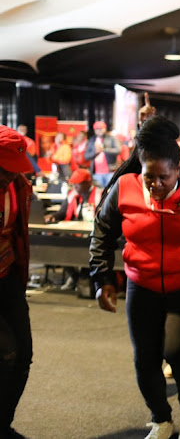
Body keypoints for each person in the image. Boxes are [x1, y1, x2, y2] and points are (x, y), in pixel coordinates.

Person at [89, 116, 180, 439]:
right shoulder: (124, 187)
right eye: (148, 176)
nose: (155, 184)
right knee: (145, 357)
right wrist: (102, 278)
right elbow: (102, 233)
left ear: (177, 170)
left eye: (163, 178)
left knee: (174, 349)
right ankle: (161, 419)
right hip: (142, 284)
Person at [0, 126, 34, 439]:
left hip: (8, 275)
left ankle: (2, 424)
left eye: (14, 169)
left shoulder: (19, 185)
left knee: (23, 355)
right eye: (4, 168)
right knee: (5, 355)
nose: (10, 175)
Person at [45, 168, 102, 291]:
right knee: (55, 241)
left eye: (78, 183)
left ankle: (84, 277)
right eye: (74, 183)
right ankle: (74, 276)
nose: (75, 186)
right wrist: (53, 217)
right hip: (74, 232)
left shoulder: (100, 195)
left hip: (93, 234)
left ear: (88, 183)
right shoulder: (71, 195)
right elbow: (62, 212)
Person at [85, 120, 122, 188]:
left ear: (105, 129)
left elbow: (118, 150)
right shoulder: (92, 140)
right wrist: (95, 152)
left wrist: (104, 150)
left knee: (110, 193)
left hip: (110, 171)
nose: (99, 130)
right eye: (97, 129)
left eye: (101, 128)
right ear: (94, 130)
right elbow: (86, 156)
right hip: (96, 172)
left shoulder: (111, 138)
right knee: (99, 194)